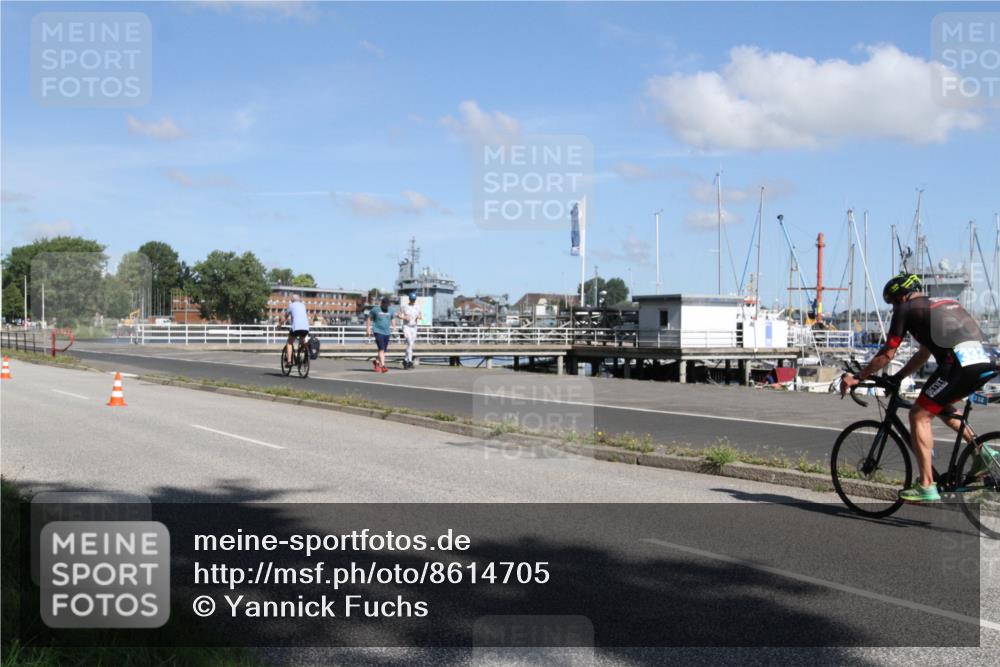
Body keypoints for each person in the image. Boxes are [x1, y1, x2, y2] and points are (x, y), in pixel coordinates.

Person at [841, 273, 997, 502]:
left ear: (901, 298)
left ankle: (926, 484)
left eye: (893, 302)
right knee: (940, 406)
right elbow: (924, 353)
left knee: (918, 415)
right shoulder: (944, 304)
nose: (893, 308)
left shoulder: (906, 310)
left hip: (959, 364)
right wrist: (900, 376)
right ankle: (983, 452)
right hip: (986, 360)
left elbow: (887, 353)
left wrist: (858, 376)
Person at [366, 296, 399, 373]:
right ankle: (383, 366)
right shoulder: (375, 309)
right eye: (385, 305)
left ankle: (376, 362)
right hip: (377, 331)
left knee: (383, 350)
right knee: (381, 349)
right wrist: (368, 329)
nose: (386, 306)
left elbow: (393, 318)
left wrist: (394, 328)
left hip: (387, 332)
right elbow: (369, 318)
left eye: (387, 305)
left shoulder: (390, 310)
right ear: (382, 303)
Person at [283, 294, 309, 365]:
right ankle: (306, 354)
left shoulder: (291, 305)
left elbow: (285, 317)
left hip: (296, 327)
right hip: (305, 328)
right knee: (302, 340)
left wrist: (279, 325)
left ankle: (289, 361)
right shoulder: (303, 305)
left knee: (289, 342)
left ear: (292, 300)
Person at [399, 292, 422, 369]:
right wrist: (404, 318)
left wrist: (419, 317)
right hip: (406, 326)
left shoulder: (417, 307)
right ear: (409, 299)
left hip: (414, 327)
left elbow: (420, 315)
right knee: (409, 342)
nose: (413, 301)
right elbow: (398, 315)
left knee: (410, 345)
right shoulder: (404, 306)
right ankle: (409, 361)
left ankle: (405, 360)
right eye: (412, 300)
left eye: (414, 300)